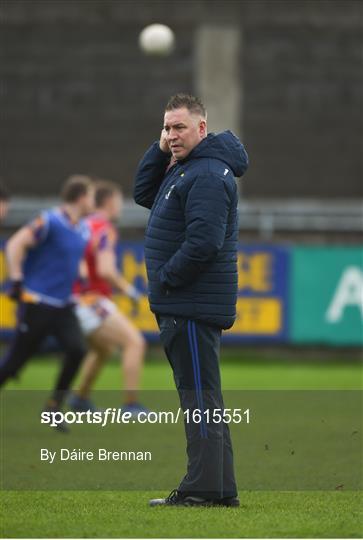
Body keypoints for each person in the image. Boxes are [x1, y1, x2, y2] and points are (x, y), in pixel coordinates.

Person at [134, 93, 248, 507]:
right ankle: (218, 489)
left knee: (200, 399)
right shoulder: (185, 169)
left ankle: (203, 490)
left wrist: (167, 281)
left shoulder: (206, 174)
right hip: (185, 305)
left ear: (202, 128)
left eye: (179, 127)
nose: (171, 135)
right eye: (167, 127)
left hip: (190, 305)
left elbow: (204, 242)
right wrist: (161, 147)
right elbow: (143, 192)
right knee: (203, 399)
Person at [0, 175, 94, 425]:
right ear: (82, 197)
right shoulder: (49, 220)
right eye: (91, 196)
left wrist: (82, 276)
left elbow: (76, 257)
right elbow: (15, 245)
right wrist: (17, 280)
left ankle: (53, 407)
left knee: (77, 350)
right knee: (13, 365)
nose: (93, 201)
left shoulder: (83, 228)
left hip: (64, 304)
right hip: (37, 302)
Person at [70, 180, 147, 414]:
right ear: (109, 202)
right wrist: (130, 291)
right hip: (90, 299)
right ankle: (131, 405)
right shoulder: (104, 228)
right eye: (118, 201)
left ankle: (80, 399)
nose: (120, 207)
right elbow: (105, 270)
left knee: (103, 349)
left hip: (73, 298)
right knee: (135, 343)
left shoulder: (81, 225)